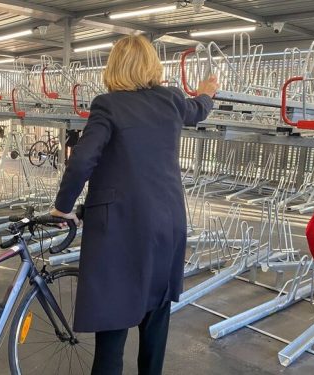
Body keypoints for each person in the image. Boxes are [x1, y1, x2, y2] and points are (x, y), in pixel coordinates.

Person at [49, 35, 218, 375]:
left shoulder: (108, 105)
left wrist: (63, 206)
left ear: (115, 67)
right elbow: (197, 109)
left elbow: (82, 161)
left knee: (112, 332)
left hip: (120, 232)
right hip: (166, 225)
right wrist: (206, 92)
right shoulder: (171, 100)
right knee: (155, 325)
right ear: (151, 65)